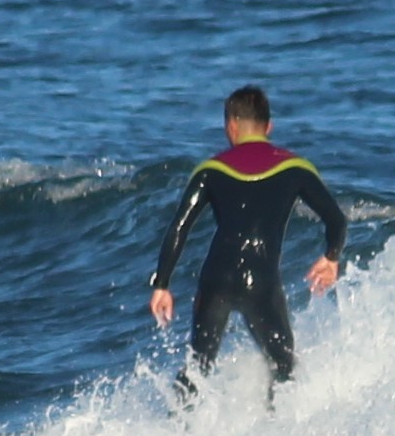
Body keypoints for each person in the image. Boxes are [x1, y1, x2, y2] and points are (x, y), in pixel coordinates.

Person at [147, 86, 346, 383]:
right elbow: (336, 220)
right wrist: (331, 257)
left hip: (216, 280)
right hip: (261, 282)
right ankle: (276, 426)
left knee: (198, 367)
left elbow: (179, 227)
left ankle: (177, 426)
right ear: (268, 127)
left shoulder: (210, 170)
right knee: (283, 368)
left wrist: (162, 284)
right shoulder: (296, 168)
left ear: (231, 125)